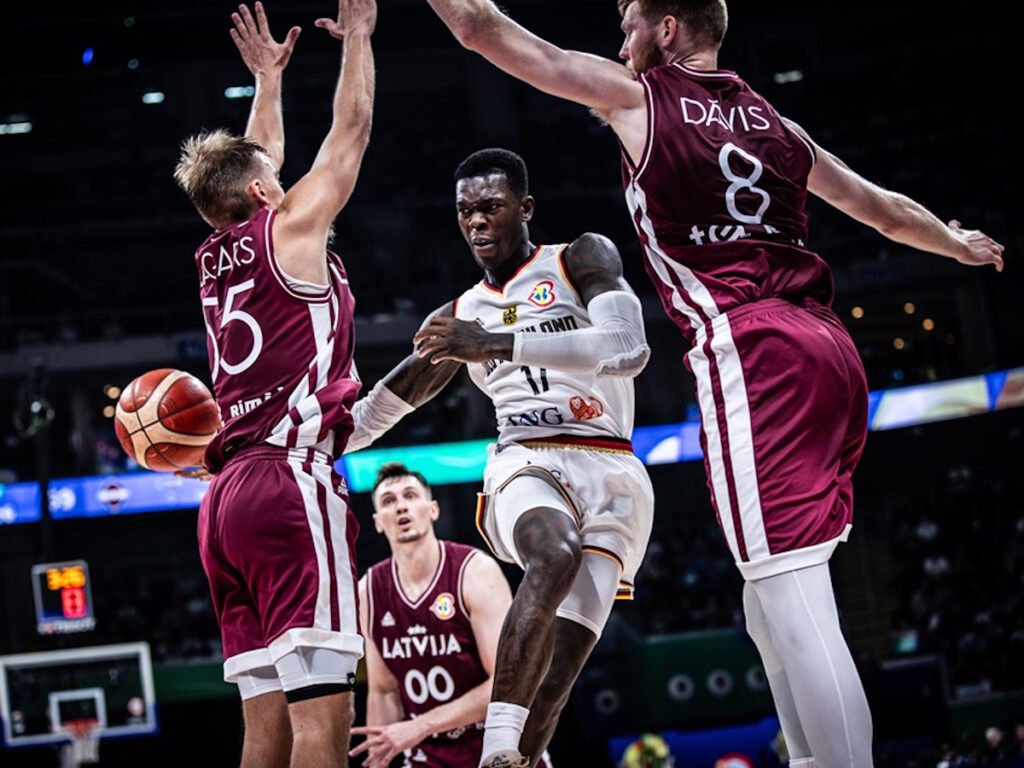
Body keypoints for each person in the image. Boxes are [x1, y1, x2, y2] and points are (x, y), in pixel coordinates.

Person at [418, 2, 1006, 767]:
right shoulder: (776, 124)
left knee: (794, 599)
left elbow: (483, 30)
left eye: (630, 22)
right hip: (829, 346)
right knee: (766, 606)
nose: (620, 39)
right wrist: (953, 242)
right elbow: (883, 212)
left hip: (752, 349)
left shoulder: (642, 99)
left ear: (667, 30)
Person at [345, 147, 654, 767]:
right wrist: (294, 447)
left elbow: (629, 347)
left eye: (491, 206)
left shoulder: (579, 258)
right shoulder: (458, 315)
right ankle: (497, 748)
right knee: (554, 552)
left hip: (612, 463)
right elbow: (384, 404)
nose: (477, 221)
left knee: (557, 677)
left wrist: (495, 343)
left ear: (526, 208)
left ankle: (522, 757)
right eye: (466, 212)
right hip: (526, 456)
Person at [172, 1, 377, 765]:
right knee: (323, 722)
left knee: (265, 732)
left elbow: (257, 163)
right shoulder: (290, 230)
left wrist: (268, 81)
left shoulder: (214, 255)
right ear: (265, 195)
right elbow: (351, 133)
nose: (283, 182)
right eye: (273, 180)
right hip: (289, 483)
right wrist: (359, 40)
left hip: (224, 503)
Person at [352, 462, 552, 768]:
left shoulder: (474, 571)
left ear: (433, 510)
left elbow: (507, 683)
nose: (401, 506)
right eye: (389, 501)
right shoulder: (369, 591)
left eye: (410, 496)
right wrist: (378, 759)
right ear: (378, 522)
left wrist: (418, 726)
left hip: (493, 740)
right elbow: (384, 691)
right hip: (428, 752)